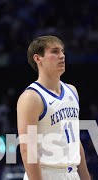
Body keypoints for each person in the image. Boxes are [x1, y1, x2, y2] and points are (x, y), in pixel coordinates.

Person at [17, 35, 91, 180]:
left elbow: (76, 141)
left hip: (72, 173)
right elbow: (27, 150)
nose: (62, 56)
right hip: (46, 174)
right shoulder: (31, 97)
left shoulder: (72, 91)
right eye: (55, 52)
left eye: (62, 52)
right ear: (38, 59)